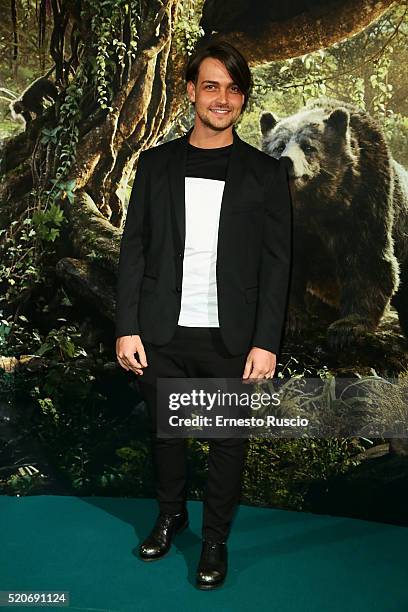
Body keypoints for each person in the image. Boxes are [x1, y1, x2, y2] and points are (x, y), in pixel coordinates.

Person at [115, 41, 292, 590]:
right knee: (167, 436)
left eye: (234, 88)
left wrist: (266, 341)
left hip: (230, 336)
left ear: (242, 99)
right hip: (162, 329)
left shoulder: (265, 174)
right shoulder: (156, 165)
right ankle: (171, 516)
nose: (222, 98)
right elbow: (135, 248)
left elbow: (277, 264)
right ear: (190, 91)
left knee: (226, 445)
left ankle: (214, 539)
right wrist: (127, 325)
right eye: (211, 86)